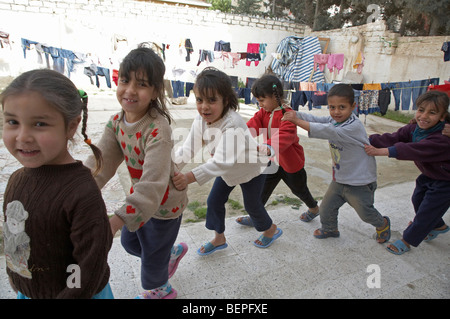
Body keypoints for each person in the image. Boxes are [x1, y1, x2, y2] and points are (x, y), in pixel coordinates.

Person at [84, 46, 188, 299]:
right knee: (130, 243)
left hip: (164, 205)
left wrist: (115, 221)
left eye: (141, 84)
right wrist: (76, 190)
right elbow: (100, 164)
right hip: (140, 200)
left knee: (151, 260)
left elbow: (153, 185)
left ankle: (162, 290)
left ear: (154, 92)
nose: (130, 90)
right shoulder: (116, 122)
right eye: (125, 80)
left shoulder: (157, 129)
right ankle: (168, 253)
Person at [1, 69, 113, 299]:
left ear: (72, 126)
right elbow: (14, 235)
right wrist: (15, 275)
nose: (23, 136)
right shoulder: (16, 180)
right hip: (30, 291)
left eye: (39, 124)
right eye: (12, 121)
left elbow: (90, 265)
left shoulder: (82, 193)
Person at [172, 67, 282, 255]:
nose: (204, 106)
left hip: (252, 169)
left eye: (212, 100)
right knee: (214, 201)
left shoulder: (233, 124)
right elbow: (189, 147)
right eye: (199, 100)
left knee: (252, 204)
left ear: (226, 100)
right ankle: (219, 238)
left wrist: (187, 177)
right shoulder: (201, 120)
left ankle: (270, 229)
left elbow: (220, 163)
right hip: (227, 170)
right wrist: (171, 167)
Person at [282, 83, 390, 243]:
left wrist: (296, 121)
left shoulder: (353, 126)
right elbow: (317, 119)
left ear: (353, 106)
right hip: (340, 178)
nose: (336, 112)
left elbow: (328, 131)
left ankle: (383, 224)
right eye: (332, 107)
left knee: (365, 213)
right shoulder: (335, 120)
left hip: (360, 181)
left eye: (342, 107)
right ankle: (330, 228)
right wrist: (294, 113)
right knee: (326, 208)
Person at [365, 91, 450, 255]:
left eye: (432, 112)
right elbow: (394, 137)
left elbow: (414, 149)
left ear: (442, 116)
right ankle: (438, 226)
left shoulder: (442, 138)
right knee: (417, 198)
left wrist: (382, 151)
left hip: (446, 181)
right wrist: (367, 139)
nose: (424, 116)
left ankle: (408, 240)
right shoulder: (414, 128)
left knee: (426, 212)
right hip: (430, 175)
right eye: (421, 110)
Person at [236, 73, 319, 227]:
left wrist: (267, 146)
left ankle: (314, 208)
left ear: (276, 97)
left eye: (262, 100)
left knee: (300, 191)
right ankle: (256, 217)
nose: (259, 104)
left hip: (291, 164)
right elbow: (252, 125)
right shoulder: (263, 112)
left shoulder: (289, 115)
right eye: (258, 100)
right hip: (272, 161)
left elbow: (284, 135)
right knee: (261, 192)